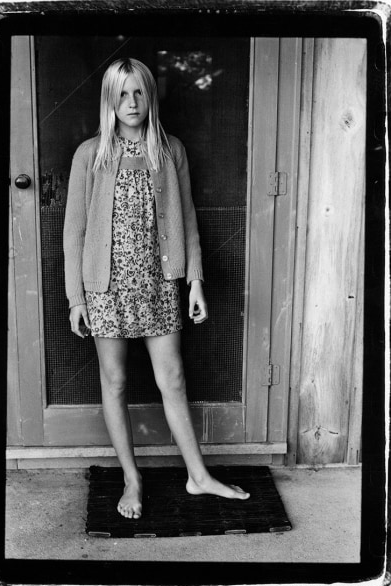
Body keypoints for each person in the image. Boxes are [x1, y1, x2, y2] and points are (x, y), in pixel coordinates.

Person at [63, 57, 250, 519]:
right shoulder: (90, 154)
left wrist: (196, 283)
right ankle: (132, 477)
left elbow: (187, 222)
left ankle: (198, 476)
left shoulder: (170, 151)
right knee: (116, 381)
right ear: (109, 99)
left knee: (173, 378)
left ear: (151, 96)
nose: (132, 102)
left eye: (140, 92)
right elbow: (74, 233)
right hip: (105, 287)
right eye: (122, 93)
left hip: (159, 284)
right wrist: (76, 299)